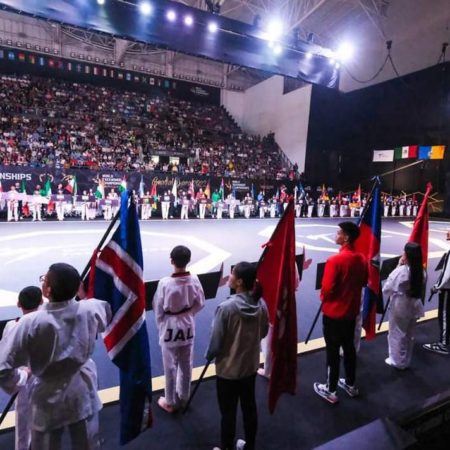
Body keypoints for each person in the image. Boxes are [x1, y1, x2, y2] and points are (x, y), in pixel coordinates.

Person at [0, 263, 111, 450]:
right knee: (87, 442)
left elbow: (3, 368)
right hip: (82, 389)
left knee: (46, 444)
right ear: (78, 287)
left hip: (47, 396)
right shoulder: (93, 308)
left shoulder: (30, 323)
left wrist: (21, 378)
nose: (43, 282)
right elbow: (105, 317)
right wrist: (82, 296)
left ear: (47, 290)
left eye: (45, 279)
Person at [206, 262, 269, 450]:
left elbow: (216, 342)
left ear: (240, 282)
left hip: (228, 370)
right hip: (250, 367)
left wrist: (209, 355)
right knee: (249, 407)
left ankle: (226, 447)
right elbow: (264, 332)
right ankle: (250, 445)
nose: (229, 277)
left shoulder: (226, 308)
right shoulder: (261, 304)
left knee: (228, 412)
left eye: (232, 274)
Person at [314, 221, 368, 404]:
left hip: (334, 313)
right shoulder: (361, 258)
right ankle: (351, 384)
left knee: (332, 351)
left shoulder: (335, 260)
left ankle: (330, 389)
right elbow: (363, 281)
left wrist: (324, 297)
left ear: (345, 237)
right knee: (349, 348)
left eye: (338, 233)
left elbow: (327, 288)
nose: (335, 235)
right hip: (351, 312)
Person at [153, 246, 205, 413]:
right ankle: (184, 396)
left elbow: (158, 308)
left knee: (170, 366)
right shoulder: (194, 279)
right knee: (186, 362)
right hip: (188, 325)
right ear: (188, 260)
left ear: (171, 260)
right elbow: (200, 303)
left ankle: (169, 400)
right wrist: (188, 314)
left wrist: (162, 324)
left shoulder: (165, 283)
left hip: (169, 326)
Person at [2, 286, 43, 450]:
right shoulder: (48, 323)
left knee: (23, 419)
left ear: (18, 304)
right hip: (45, 377)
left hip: (24, 379)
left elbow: (5, 358)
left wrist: (21, 376)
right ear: (41, 302)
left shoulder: (12, 326)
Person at [383, 242, 425, 369]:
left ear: (407, 255)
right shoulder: (421, 270)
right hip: (414, 304)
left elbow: (387, 288)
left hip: (400, 305)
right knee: (409, 334)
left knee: (397, 333)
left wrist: (399, 265)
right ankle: (405, 359)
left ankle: (397, 361)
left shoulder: (401, 271)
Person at [423, 230, 450, 355]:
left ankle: (443, 344)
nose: (447, 232)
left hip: (448, 290)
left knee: (444, 315)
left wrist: (436, 287)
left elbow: (447, 275)